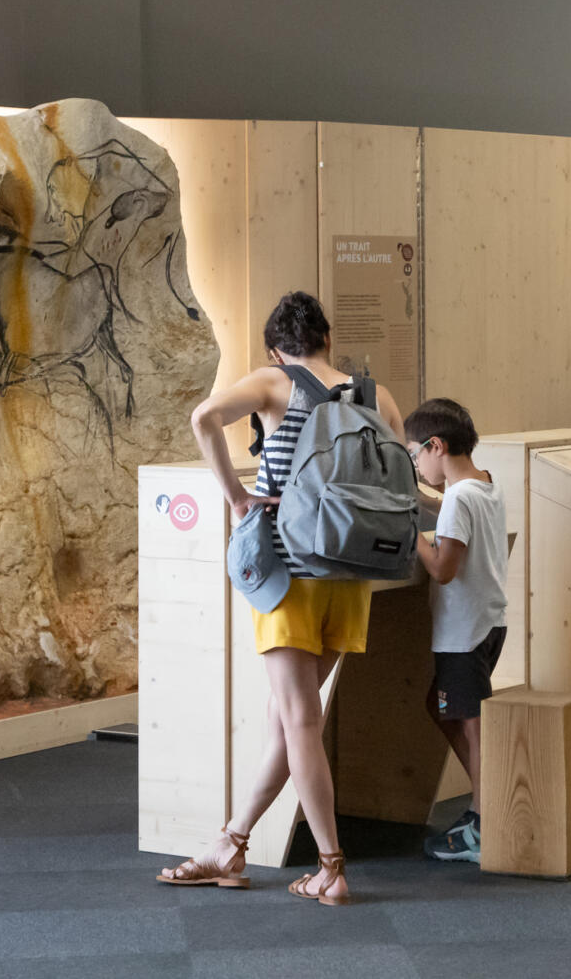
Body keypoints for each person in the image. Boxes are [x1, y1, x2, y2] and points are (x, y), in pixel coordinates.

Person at [156, 291, 402, 904]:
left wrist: (237, 497)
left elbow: (203, 418)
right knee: (285, 721)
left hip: (290, 572)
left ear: (275, 349)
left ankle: (331, 866)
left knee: (299, 720)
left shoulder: (274, 383)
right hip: (353, 575)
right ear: (328, 339)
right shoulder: (375, 395)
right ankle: (230, 844)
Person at [405, 398, 507, 864]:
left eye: (415, 455)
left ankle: (486, 821)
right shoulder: (484, 485)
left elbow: (444, 570)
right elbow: (450, 506)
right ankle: (486, 799)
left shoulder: (459, 499)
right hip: (488, 623)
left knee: (470, 724)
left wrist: (412, 534)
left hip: (462, 632)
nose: (417, 466)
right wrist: (419, 501)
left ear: (436, 446)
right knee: (443, 707)